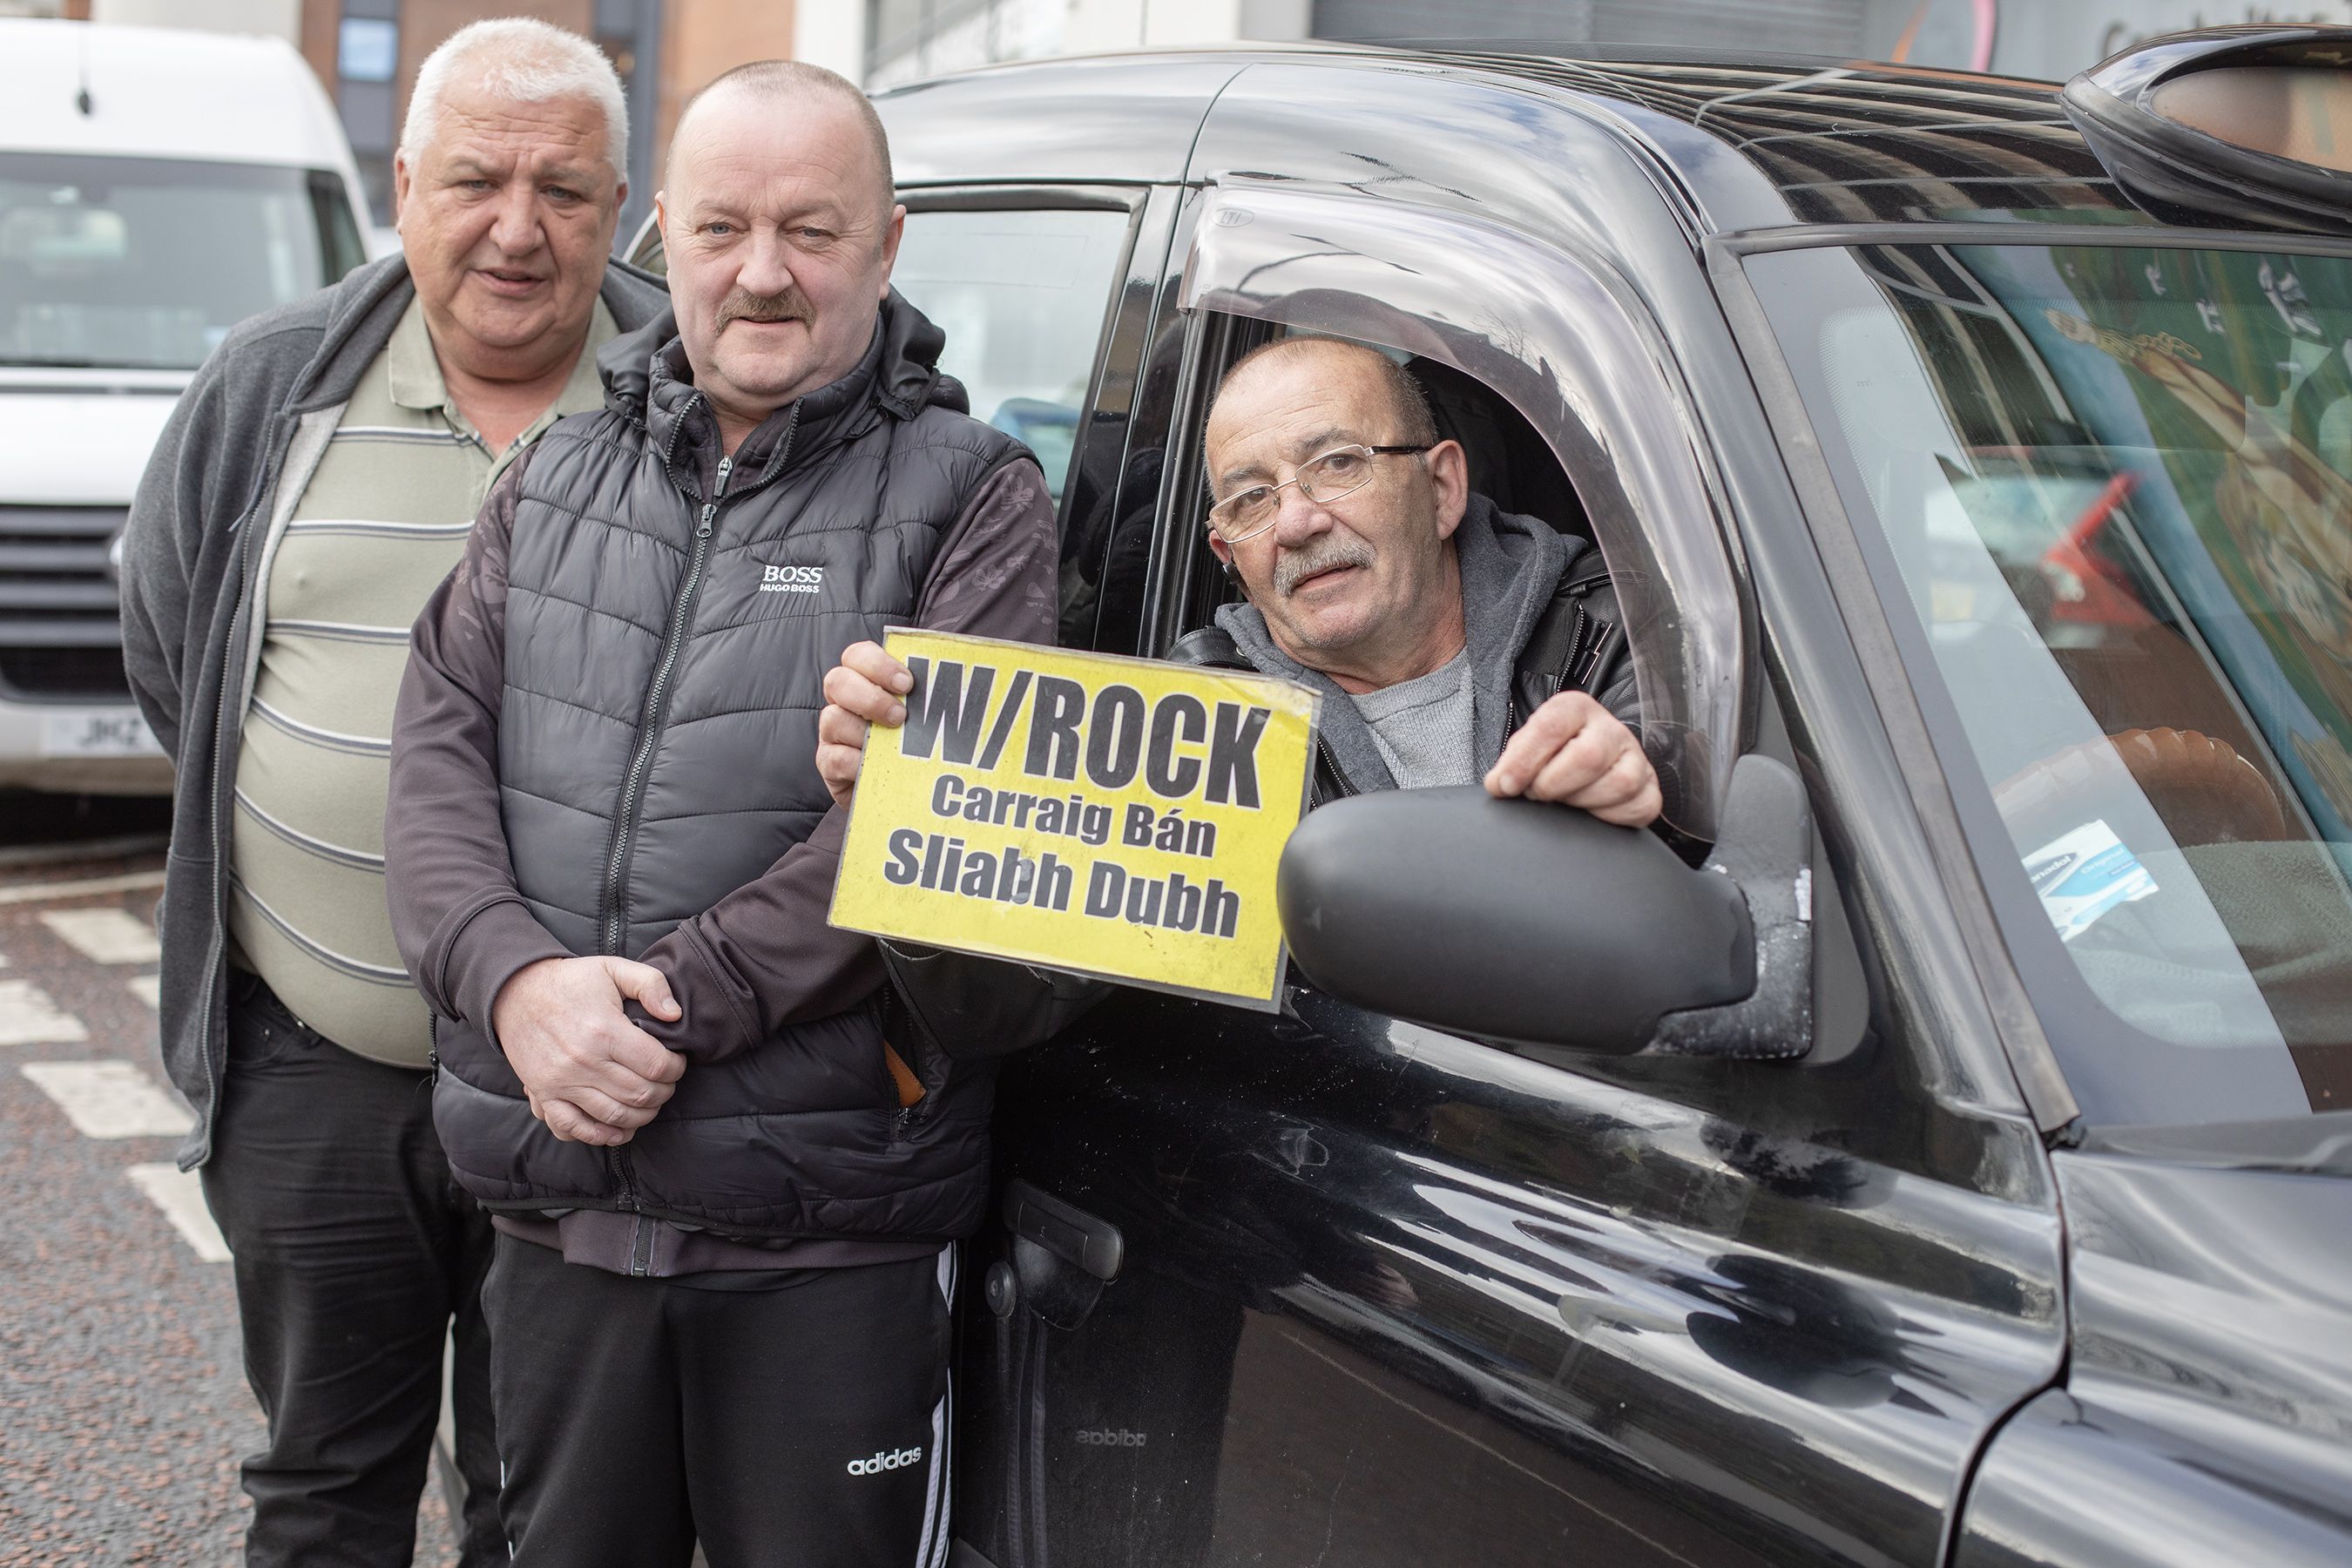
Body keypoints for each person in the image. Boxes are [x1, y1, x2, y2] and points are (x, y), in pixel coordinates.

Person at [380, 59, 1057, 1567]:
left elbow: (934, 832)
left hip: (823, 1235)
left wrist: (648, 1015)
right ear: (664, 237)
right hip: (559, 1214)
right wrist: (519, 988)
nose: (764, 274)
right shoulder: (554, 475)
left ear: (886, 246)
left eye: (813, 233)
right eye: (725, 229)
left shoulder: (976, 497)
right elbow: (432, 769)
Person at [117, 19, 662, 1565]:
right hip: (316, 1068)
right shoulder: (269, 384)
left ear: (619, 206)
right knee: (321, 1489)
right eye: (477, 180)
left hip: (588, 1081)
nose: (517, 227)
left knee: (546, 1499)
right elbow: (182, 653)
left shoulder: (692, 399)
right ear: (403, 186)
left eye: (563, 190)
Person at [817, 334, 1660, 826]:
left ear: (1442, 488)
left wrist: (1646, 810)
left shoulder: (1617, 638)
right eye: (1253, 499)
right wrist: (905, 805)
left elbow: (1751, 908)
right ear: (1230, 556)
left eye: (1338, 464)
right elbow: (1012, 1007)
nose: (1296, 523)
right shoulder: (1179, 731)